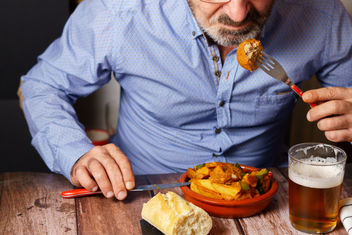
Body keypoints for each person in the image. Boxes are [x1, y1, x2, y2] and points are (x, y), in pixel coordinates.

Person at [19, 0, 352, 200]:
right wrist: (75, 152)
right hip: (140, 192)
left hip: (265, 193)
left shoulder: (321, 15)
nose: (238, 14)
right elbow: (41, 85)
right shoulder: (119, 11)